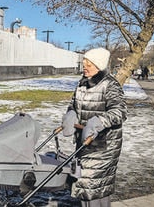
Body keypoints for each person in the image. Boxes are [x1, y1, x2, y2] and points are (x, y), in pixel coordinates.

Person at [62, 47, 127, 207]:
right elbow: (73, 104)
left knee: (91, 185)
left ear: (99, 66)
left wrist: (98, 122)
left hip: (104, 146)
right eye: (84, 64)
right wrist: (71, 114)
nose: (85, 67)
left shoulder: (110, 85)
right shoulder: (82, 83)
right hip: (84, 142)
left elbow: (120, 112)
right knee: (89, 186)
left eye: (89, 65)